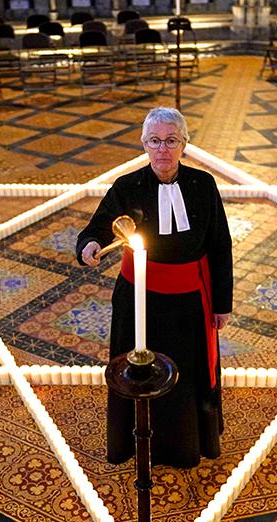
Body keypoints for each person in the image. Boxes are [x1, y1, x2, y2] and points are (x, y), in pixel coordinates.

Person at [76, 107, 233, 469]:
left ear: (184, 145)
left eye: (171, 141)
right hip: (137, 301)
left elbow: (220, 244)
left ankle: (185, 444)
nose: (163, 149)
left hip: (190, 303)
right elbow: (97, 228)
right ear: (144, 144)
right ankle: (134, 442)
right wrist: (88, 245)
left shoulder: (203, 186)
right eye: (155, 141)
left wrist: (221, 303)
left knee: (187, 376)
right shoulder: (127, 186)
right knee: (138, 373)